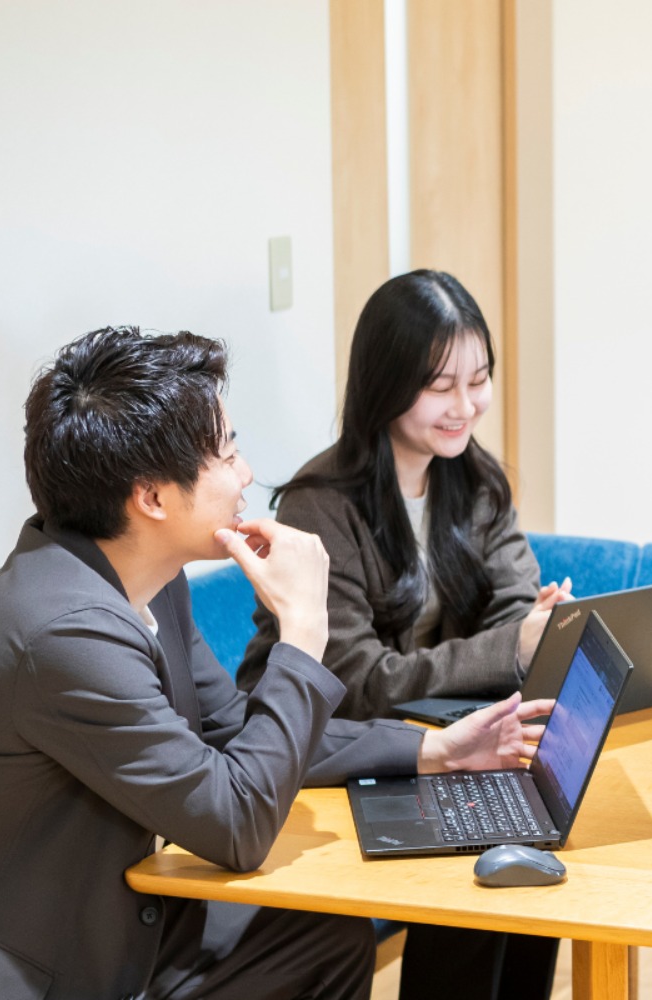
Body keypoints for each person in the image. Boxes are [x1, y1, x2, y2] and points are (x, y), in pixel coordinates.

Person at [0, 326, 551, 1000]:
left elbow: (234, 729)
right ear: (153, 497)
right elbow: (236, 824)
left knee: (324, 938)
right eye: (227, 452)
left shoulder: (150, 578)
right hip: (57, 968)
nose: (246, 472)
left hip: (131, 916)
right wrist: (302, 629)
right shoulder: (66, 635)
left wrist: (433, 752)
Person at [237, 269, 565, 999]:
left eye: (478, 381)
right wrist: (513, 646)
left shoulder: (474, 481)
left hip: (436, 749)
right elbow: (357, 681)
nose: (466, 407)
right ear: (386, 385)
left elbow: (514, 602)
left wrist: (533, 628)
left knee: (533, 839)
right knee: (482, 857)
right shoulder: (320, 505)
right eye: (441, 386)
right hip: (330, 759)